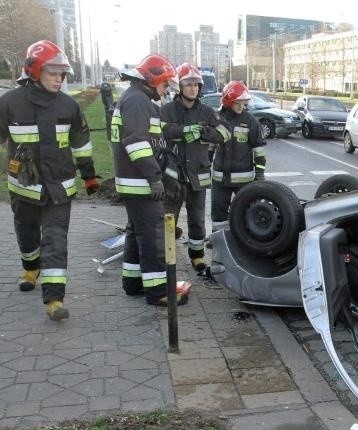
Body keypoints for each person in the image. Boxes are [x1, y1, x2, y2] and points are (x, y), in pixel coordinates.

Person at [0, 40, 100, 321]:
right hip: (24, 187)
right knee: (27, 233)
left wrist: (89, 176)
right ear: (35, 70)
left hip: (59, 188)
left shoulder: (68, 106)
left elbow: (82, 145)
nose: (59, 79)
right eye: (53, 72)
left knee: (56, 240)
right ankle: (30, 268)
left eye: (62, 74)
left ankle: (54, 298)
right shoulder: (10, 102)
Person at [111, 54, 188, 306]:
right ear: (152, 79)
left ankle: (133, 282)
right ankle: (158, 292)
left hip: (133, 181)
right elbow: (136, 142)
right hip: (141, 182)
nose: (166, 90)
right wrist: (155, 178)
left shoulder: (137, 99)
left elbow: (154, 139)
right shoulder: (137, 101)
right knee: (153, 235)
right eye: (165, 84)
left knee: (137, 233)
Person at [160, 63, 226, 272]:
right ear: (179, 86)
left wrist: (203, 132)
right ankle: (166, 258)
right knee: (168, 218)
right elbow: (160, 131)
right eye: (188, 84)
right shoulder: (167, 110)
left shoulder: (207, 111)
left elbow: (224, 134)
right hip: (173, 175)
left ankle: (197, 257)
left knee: (197, 219)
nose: (193, 89)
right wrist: (184, 130)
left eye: (196, 85)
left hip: (198, 174)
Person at [211, 80, 266, 229]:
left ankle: (244, 240)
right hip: (220, 179)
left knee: (246, 213)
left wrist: (259, 173)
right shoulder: (216, 119)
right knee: (218, 214)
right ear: (228, 101)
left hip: (244, 180)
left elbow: (259, 150)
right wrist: (204, 168)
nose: (242, 106)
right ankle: (218, 239)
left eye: (244, 103)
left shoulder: (250, 121)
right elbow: (209, 147)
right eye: (238, 103)